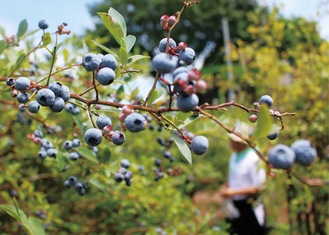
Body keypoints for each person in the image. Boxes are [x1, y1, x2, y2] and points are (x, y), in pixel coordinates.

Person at [219, 121, 267, 235]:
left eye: (233, 140)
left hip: (249, 207)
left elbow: (259, 188)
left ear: (240, 142)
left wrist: (232, 192)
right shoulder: (234, 155)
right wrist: (226, 187)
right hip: (235, 206)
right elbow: (235, 178)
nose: (230, 142)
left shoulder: (254, 159)